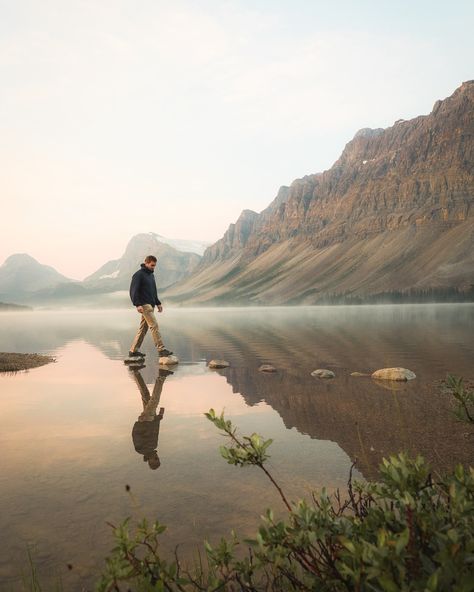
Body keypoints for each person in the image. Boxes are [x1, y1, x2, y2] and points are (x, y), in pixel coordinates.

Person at [128, 255, 173, 358]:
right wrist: (137, 304)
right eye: (152, 265)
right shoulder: (138, 275)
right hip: (144, 305)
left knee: (143, 329)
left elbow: (153, 291)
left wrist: (158, 303)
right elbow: (133, 291)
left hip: (151, 305)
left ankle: (133, 351)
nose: (153, 267)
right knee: (154, 325)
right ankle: (161, 349)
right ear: (146, 263)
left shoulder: (151, 275)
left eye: (155, 266)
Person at [130, 367, 173, 470]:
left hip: (146, 419)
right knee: (145, 395)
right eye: (158, 459)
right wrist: (159, 416)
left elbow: (136, 434)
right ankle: (135, 372)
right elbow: (154, 430)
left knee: (154, 400)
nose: (157, 457)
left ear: (149, 461)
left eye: (155, 460)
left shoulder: (142, 449)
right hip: (150, 418)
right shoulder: (152, 447)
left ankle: (161, 376)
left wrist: (141, 422)